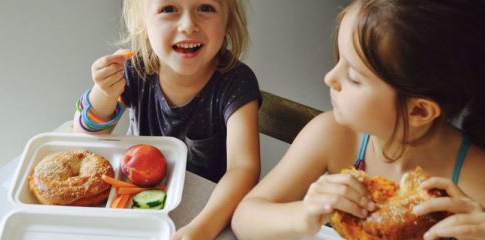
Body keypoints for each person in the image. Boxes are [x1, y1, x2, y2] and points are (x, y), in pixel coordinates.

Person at [232, 0, 485, 239]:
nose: (330, 78)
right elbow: (245, 219)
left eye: (353, 77)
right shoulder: (332, 135)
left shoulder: (474, 178)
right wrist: (304, 214)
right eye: (339, 59)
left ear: (419, 111)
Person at [73, 0, 261, 239]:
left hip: (209, 209)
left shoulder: (236, 82)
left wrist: (203, 227)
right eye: (169, 9)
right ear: (142, 23)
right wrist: (102, 93)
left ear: (228, 21)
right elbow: (85, 140)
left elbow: (244, 167)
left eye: (205, 7)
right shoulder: (135, 69)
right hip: (134, 201)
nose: (188, 25)